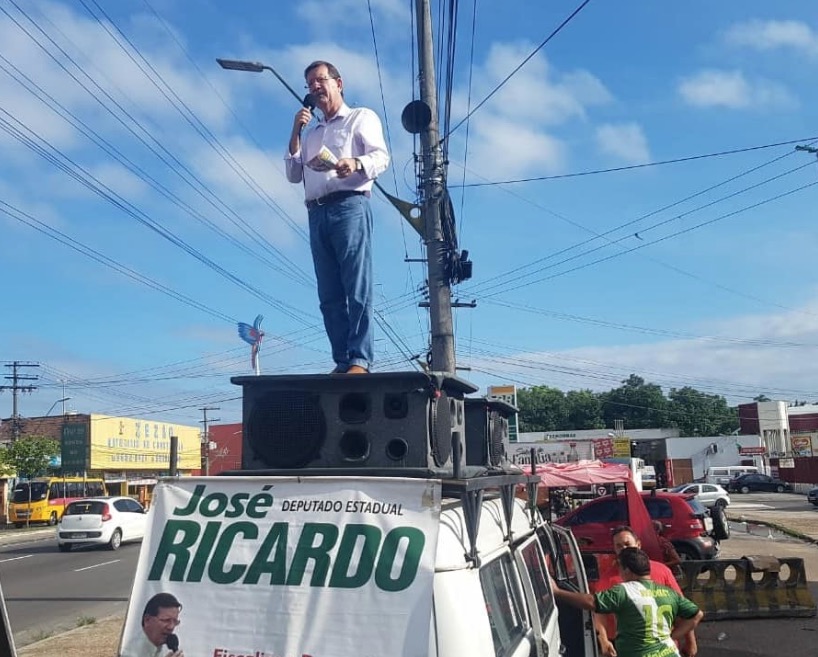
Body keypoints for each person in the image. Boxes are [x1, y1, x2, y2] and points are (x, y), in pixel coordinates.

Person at [285, 60, 390, 375]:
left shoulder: (360, 117)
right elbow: (293, 173)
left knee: (356, 286)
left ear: (338, 83)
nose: (315, 88)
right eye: (309, 84)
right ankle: (342, 359)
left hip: (349, 205)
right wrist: (296, 130)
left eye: (320, 80)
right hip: (316, 211)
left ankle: (360, 358)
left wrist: (356, 163)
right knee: (329, 293)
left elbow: (381, 156)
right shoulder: (312, 132)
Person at [554, 548, 703, 657]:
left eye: (620, 568)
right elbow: (697, 615)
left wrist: (558, 592)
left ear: (627, 570)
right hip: (669, 652)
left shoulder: (625, 591)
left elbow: (591, 602)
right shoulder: (668, 592)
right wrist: (672, 637)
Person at [592, 525, 697, 657]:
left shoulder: (661, 570)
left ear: (638, 544)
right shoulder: (608, 578)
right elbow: (599, 614)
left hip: (664, 647)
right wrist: (604, 641)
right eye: (618, 546)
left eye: (627, 544)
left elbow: (683, 610)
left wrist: (690, 641)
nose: (624, 548)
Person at [120, 592, 184, 657]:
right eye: (166, 620)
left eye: (175, 622)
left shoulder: (161, 648)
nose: (171, 627)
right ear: (147, 620)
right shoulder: (130, 653)